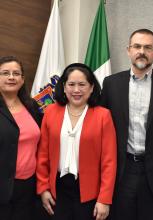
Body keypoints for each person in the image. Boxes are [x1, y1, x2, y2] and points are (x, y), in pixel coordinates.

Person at [101, 28, 153, 220]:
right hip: (122, 169)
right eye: (137, 46)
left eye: (148, 47)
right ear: (128, 50)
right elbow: (100, 127)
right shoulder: (111, 83)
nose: (142, 51)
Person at [36, 63, 117, 220]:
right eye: (71, 84)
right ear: (64, 87)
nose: (76, 90)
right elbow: (42, 154)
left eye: (82, 84)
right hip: (56, 189)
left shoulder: (103, 115)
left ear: (92, 87)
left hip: (89, 191)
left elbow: (109, 161)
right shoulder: (51, 111)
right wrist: (43, 188)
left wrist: (104, 199)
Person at [0, 56, 42, 220]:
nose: (11, 77)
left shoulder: (32, 106)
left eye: (16, 73)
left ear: (22, 79)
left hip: (28, 185)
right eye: (5, 73)